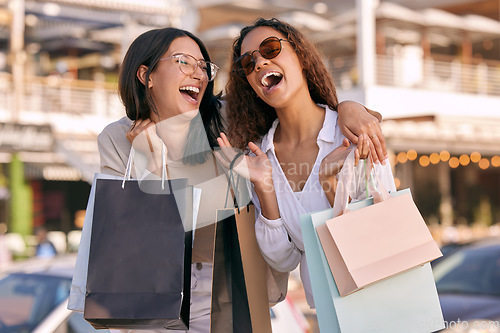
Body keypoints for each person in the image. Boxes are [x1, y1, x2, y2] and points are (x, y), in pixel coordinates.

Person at [98, 26, 391, 332]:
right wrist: (150, 164)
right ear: (146, 75)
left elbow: (296, 111)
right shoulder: (118, 142)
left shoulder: (228, 122)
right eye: (184, 62)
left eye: (203, 66)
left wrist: (350, 108)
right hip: (155, 304)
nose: (198, 74)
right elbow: (131, 237)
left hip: (232, 301)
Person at [216, 18, 397, 309]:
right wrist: (264, 188)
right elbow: (285, 260)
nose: (260, 62)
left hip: (384, 305)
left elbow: (385, 225)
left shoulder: (350, 131)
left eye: (271, 49)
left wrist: (330, 184)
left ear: (300, 56)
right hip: (328, 314)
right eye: (248, 63)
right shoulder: (259, 155)